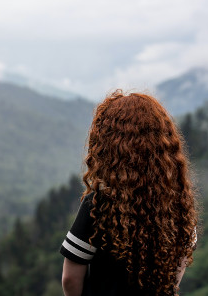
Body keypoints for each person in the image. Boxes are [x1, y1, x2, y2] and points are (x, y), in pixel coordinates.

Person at [60, 91, 198, 296]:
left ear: (108, 146)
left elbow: (70, 279)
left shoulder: (98, 204)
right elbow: (175, 276)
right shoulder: (179, 204)